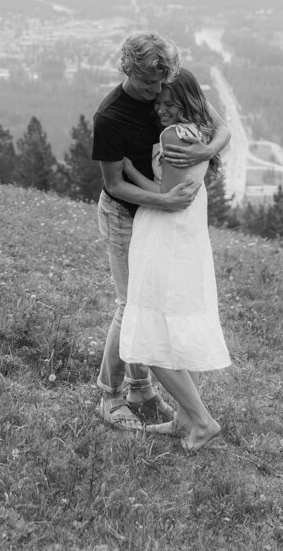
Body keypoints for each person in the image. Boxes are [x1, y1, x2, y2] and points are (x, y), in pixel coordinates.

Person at [92, 32, 230, 430]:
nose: (157, 93)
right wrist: (165, 201)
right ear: (127, 71)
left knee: (150, 306)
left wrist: (206, 151)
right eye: (149, 84)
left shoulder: (169, 86)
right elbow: (115, 184)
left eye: (161, 84)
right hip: (125, 215)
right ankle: (111, 395)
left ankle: (142, 390)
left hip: (158, 218)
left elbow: (220, 127)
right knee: (131, 306)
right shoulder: (110, 117)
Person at [119, 68, 231, 452]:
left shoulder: (172, 135)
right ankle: (184, 418)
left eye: (171, 103)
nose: (163, 109)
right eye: (160, 102)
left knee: (151, 335)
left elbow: (168, 195)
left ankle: (201, 421)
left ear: (186, 102)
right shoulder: (197, 130)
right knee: (177, 323)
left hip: (165, 235)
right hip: (186, 233)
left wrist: (131, 172)